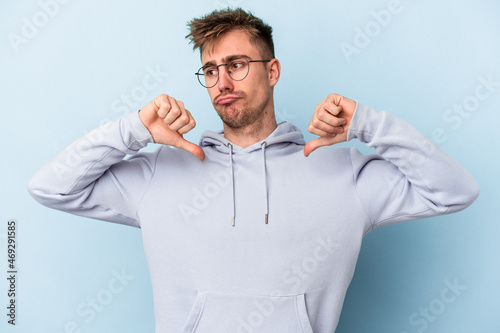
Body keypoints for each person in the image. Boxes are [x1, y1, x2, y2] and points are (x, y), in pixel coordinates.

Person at [28, 7, 479, 333]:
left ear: (273, 70)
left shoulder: (344, 172)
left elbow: (456, 190)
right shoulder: (160, 173)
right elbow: (50, 187)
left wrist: (366, 123)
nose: (222, 81)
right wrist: (134, 130)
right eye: (209, 70)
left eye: (237, 65)